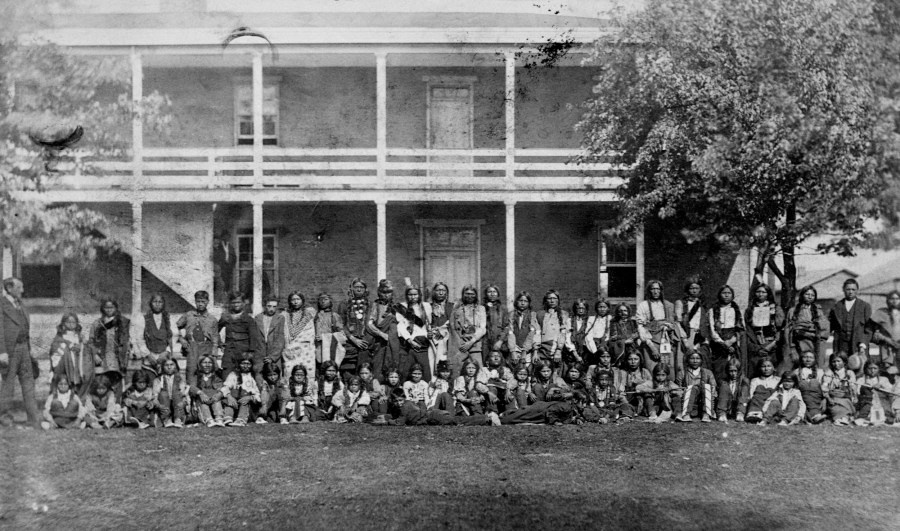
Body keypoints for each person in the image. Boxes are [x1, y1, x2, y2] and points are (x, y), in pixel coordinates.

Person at [378, 387, 499, 426]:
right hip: (433, 415)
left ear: (404, 399)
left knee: (458, 421)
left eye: (400, 400)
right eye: (396, 401)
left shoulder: (405, 406)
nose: (399, 403)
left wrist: (389, 421)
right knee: (457, 421)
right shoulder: (407, 404)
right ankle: (486, 418)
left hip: (434, 416)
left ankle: (487, 418)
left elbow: (400, 421)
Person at [635, 280, 681, 379]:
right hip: (650, 342)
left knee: (668, 368)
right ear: (649, 291)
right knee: (652, 370)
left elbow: (674, 323)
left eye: (657, 289)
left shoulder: (668, 305)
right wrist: (652, 347)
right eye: (653, 289)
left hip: (666, 341)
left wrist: (669, 327)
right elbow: (641, 327)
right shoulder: (643, 306)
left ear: (661, 291)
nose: (655, 291)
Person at [703, 285, 745, 384]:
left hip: (733, 342)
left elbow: (740, 329)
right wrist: (723, 343)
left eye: (729, 293)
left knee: (732, 367)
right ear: (719, 295)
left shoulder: (737, 310)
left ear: (732, 296)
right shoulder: (713, 310)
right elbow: (712, 331)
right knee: (719, 368)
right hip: (718, 344)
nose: (726, 295)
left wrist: (731, 341)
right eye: (724, 293)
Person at [88, 299, 131, 397]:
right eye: (106, 307)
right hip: (101, 357)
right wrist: (95, 355)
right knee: (102, 382)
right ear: (102, 309)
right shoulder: (97, 323)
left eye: (111, 307)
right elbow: (90, 342)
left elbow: (126, 341)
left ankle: (116, 404)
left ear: (115, 308)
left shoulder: (122, 322)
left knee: (116, 382)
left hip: (117, 357)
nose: (109, 310)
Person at [784, 286, 829, 375]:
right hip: (800, 343)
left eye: (812, 295)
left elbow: (824, 328)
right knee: (801, 366)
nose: (810, 296)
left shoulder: (818, 311)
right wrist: (792, 347)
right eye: (807, 294)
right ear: (802, 295)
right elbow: (789, 330)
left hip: (816, 343)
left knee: (816, 367)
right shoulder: (793, 311)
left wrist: (811, 331)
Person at [176, 291, 218, 386]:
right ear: (195, 301)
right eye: (198, 301)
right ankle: (191, 395)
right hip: (192, 347)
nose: (200, 304)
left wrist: (214, 353)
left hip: (206, 347)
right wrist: (181, 339)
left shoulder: (212, 319)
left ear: (207, 302)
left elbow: (215, 336)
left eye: (203, 301)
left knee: (205, 371)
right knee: (191, 371)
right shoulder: (188, 315)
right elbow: (176, 327)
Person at [829, 279, 871, 370]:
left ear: (857, 290)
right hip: (841, 344)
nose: (851, 292)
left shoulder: (865, 306)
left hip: (858, 344)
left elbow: (869, 328)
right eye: (848, 289)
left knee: (859, 366)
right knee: (840, 367)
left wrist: (863, 344)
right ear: (843, 290)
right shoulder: (837, 306)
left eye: (853, 289)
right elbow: (830, 325)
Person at [744, 284, 785, 379]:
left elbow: (780, 328)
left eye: (763, 292)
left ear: (768, 294)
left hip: (771, 345)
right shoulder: (750, 309)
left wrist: (771, 346)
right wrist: (758, 348)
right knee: (755, 371)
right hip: (756, 345)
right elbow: (748, 330)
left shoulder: (776, 308)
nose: (760, 294)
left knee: (772, 370)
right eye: (758, 292)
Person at [50, 312, 93, 400]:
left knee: (79, 378)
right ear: (63, 323)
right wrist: (69, 345)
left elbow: (84, 345)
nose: (70, 325)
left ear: (77, 324)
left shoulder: (79, 335)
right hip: (65, 363)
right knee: (65, 379)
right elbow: (55, 346)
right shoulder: (60, 335)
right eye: (68, 322)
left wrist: (82, 344)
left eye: (73, 322)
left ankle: (78, 396)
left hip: (77, 362)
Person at [396, 286, 432, 381]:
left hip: (423, 342)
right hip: (408, 342)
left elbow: (428, 324)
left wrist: (428, 334)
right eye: (410, 294)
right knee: (406, 369)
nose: (413, 297)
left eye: (415, 294)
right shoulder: (402, 307)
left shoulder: (426, 306)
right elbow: (401, 326)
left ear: (419, 295)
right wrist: (409, 340)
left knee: (425, 369)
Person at [338, 279, 372, 379]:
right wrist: (353, 339)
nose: (359, 289)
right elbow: (341, 324)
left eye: (361, 287)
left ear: (365, 289)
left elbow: (371, 324)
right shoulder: (344, 304)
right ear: (351, 289)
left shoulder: (370, 305)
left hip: (364, 341)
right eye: (356, 287)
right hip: (349, 341)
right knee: (348, 370)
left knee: (364, 369)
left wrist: (364, 340)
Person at [449, 285, 487, 373]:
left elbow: (482, 328)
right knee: (459, 371)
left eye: (472, 294)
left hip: (475, 344)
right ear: (463, 294)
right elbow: (453, 327)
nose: (470, 296)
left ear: (476, 295)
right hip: (460, 345)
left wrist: (471, 342)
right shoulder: (457, 309)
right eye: (467, 294)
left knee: (478, 371)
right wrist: (461, 343)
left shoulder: (481, 309)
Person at [218, 292, 257, 376]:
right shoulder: (226, 317)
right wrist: (219, 343)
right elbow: (215, 330)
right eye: (233, 302)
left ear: (243, 303)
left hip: (243, 352)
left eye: (238, 302)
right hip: (229, 352)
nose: (236, 305)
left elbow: (253, 338)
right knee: (226, 374)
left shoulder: (249, 319)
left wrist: (250, 353)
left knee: (242, 376)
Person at [367, 280, 400, 379]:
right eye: (383, 292)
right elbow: (369, 324)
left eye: (389, 292)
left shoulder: (397, 306)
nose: (386, 295)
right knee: (377, 368)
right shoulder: (375, 305)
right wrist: (382, 334)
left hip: (394, 342)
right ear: (379, 292)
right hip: (379, 342)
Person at [499, 389, 588, 426]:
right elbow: (551, 411)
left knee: (522, 413)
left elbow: (571, 416)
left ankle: (506, 413)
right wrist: (555, 421)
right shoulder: (567, 406)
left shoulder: (572, 408)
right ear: (575, 401)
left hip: (540, 409)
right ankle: (499, 418)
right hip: (539, 410)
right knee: (518, 418)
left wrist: (577, 420)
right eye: (582, 403)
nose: (584, 406)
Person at [281, 291, 315, 383]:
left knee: (306, 370)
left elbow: (310, 331)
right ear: (290, 301)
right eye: (293, 300)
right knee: (289, 369)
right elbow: (285, 332)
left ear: (302, 301)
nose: (295, 302)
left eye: (298, 299)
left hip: (305, 350)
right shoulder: (285, 315)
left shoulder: (309, 314)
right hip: (290, 348)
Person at [535, 289, 570, 374]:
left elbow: (563, 333)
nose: (552, 300)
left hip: (556, 348)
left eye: (554, 298)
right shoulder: (540, 314)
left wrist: (558, 350)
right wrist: (535, 350)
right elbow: (537, 333)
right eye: (549, 298)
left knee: (555, 373)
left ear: (558, 300)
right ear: (545, 300)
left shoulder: (563, 314)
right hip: (542, 349)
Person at [866, 290, 900, 377]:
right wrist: (883, 338)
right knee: (889, 372)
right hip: (886, 348)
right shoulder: (880, 313)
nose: (894, 301)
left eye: (897, 298)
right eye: (892, 298)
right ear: (887, 300)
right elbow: (869, 330)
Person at [221, 354, 261, 427]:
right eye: (243, 363)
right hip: (234, 400)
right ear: (239, 364)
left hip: (246, 403)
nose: (245, 366)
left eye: (248, 364)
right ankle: (228, 418)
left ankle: (241, 420)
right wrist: (229, 396)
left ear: (251, 365)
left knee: (244, 402)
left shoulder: (252, 377)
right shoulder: (233, 374)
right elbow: (225, 387)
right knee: (229, 402)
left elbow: (257, 394)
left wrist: (250, 398)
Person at [676, 351, 716, 422]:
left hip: (703, 400)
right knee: (692, 388)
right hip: (687, 400)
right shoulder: (682, 373)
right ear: (688, 360)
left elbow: (713, 388)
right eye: (692, 358)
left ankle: (706, 414)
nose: (695, 361)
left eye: (697, 358)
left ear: (701, 360)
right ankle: (686, 414)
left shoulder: (708, 373)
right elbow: (678, 389)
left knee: (707, 387)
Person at [675, 280, 707, 367]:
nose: (694, 290)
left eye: (697, 288)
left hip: (700, 336)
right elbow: (678, 322)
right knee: (686, 360)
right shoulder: (681, 303)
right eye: (692, 288)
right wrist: (685, 339)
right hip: (687, 334)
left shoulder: (702, 304)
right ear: (687, 290)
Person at [854, 360, 894, 426]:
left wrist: (881, 386)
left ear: (879, 369)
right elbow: (858, 393)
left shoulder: (884, 379)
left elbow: (891, 392)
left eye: (875, 368)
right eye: (870, 368)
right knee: (863, 416)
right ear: (866, 369)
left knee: (886, 416)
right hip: (867, 403)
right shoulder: (861, 380)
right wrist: (864, 387)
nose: (872, 371)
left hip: (881, 403)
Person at [142, 294, 174, 375]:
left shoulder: (168, 318)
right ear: (150, 303)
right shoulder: (145, 319)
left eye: (160, 302)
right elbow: (140, 339)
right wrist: (148, 355)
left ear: (163, 304)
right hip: (149, 358)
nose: (157, 304)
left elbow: (173, 337)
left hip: (164, 357)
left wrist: (166, 352)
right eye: (155, 301)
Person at [189, 355, 225, 427]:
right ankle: (209, 420)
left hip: (212, 399)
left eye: (210, 362)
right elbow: (192, 387)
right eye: (204, 362)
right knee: (203, 403)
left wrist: (216, 395)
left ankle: (219, 419)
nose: (207, 365)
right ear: (200, 364)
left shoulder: (216, 376)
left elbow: (219, 387)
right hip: (201, 401)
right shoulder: (196, 376)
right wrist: (200, 393)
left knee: (217, 401)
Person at [427, 282, 453, 378]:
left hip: (447, 340)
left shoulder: (452, 306)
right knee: (433, 363)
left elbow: (453, 323)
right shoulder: (428, 307)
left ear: (446, 293)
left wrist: (443, 331)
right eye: (438, 290)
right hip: (432, 340)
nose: (441, 293)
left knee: (446, 364)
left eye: (443, 290)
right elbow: (425, 323)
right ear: (434, 292)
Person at [822, 353, 857, 426]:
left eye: (838, 361)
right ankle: (841, 418)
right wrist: (828, 398)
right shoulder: (829, 373)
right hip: (832, 398)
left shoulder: (849, 373)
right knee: (834, 405)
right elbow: (824, 387)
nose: (836, 363)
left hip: (845, 397)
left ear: (844, 362)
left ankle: (843, 418)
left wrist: (853, 396)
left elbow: (853, 387)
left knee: (845, 403)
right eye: (833, 362)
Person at [314, 293, 345, 374]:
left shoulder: (334, 316)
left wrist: (325, 337)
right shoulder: (315, 316)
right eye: (321, 299)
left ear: (331, 301)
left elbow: (341, 335)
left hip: (329, 348)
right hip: (317, 348)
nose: (323, 301)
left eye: (325, 299)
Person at [792, 351, 827, 424]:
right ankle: (815, 416)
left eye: (811, 357)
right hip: (802, 396)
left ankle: (810, 415)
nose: (808, 360)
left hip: (817, 397)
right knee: (804, 384)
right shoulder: (796, 372)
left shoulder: (820, 372)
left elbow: (824, 387)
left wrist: (824, 399)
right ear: (801, 359)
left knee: (814, 382)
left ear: (815, 360)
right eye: (805, 357)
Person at [506, 291, 538, 369]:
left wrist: (524, 351)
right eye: (521, 301)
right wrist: (513, 351)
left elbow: (532, 333)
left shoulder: (532, 315)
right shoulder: (512, 315)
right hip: (514, 347)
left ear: (529, 303)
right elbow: (510, 332)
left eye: (525, 301)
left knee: (526, 370)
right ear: (517, 302)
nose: (523, 303)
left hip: (527, 349)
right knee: (514, 369)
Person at [153, 357, 187, 428]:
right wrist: (159, 405)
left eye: (171, 365)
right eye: (166, 365)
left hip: (177, 403)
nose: (169, 367)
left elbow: (184, 393)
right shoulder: (158, 379)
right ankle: (166, 419)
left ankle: (178, 419)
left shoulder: (180, 378)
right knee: (163, 393)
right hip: (164, 404)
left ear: (175, 366)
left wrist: (183, 402)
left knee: (177, 393)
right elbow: (155, 396)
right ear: (163, 367)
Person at [744, 358, 780, 424]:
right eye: (763, 366)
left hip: (771, 404)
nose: (766, 369)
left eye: (769, 366)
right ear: (759, 368)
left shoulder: (778, 380)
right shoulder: (755, 380)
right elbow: (751, 395)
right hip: (758, 404)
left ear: (774, 368)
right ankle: (755, 414)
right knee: (758, 391)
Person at [482, 284, 509, 363]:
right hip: (485, 341)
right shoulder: (482, 307)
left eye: (494, 291)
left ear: (498, 294)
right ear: (486, 294)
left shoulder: (503, 308)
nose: (492, 294)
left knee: (500, 363)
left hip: (499, 341)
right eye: (489, 292)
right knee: (486, 362)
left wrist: (500, 341)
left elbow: (506, 326)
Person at [608, 303, 640, 368]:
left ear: (628, 311)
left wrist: (633, 337)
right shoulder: (614, 322)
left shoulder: (633, 322)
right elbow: (614, 336)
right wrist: (625, 340)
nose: (623, 313)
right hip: (620, 347)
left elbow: (637, 334)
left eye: (625, 311)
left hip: (633, 346)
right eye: (620, 311)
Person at [564, 299, 590, 376]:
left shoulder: (589, 321)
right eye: (579, 308)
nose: (581, 310)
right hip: (572, 352)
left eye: (583, 308)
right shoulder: (569, 321)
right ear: (575, 309)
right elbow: (567, 338)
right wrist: (575, 354)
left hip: (585, 351)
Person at [583, 299, 612, 368]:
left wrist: (604, 347)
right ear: (596, 308)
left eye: (604, 307)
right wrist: (595, 351)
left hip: (606, 346)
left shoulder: (611, 319)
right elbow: (588, 336)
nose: (602, 309)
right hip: (593, 347)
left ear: (608, 308)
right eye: (600, 307)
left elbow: (610, 334)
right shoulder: (591, 319)